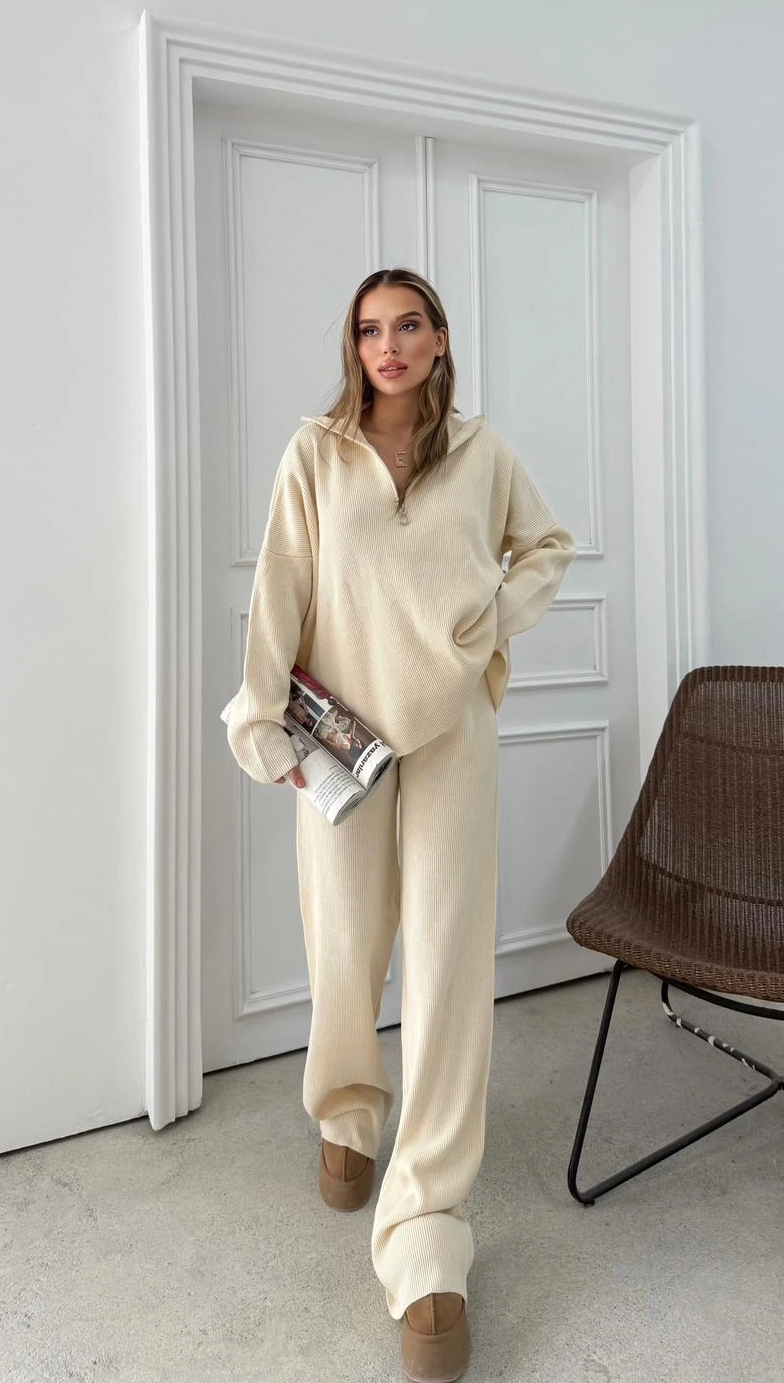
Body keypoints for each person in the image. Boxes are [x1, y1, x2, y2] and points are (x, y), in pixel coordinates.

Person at [226, 267, 575, 1382]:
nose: (389, 344)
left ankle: (427, 1221)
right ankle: (347, 1110)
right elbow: (280, 587)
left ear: (438, 339)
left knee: (449, 967)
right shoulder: (315, 452)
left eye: (408, 325)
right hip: (340, 737)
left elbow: (547, 546)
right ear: (355, 344)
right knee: (344, 945)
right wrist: (262, 717)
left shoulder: (483, 453)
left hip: (451, 737)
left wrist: (493, 620)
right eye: (371, 328)